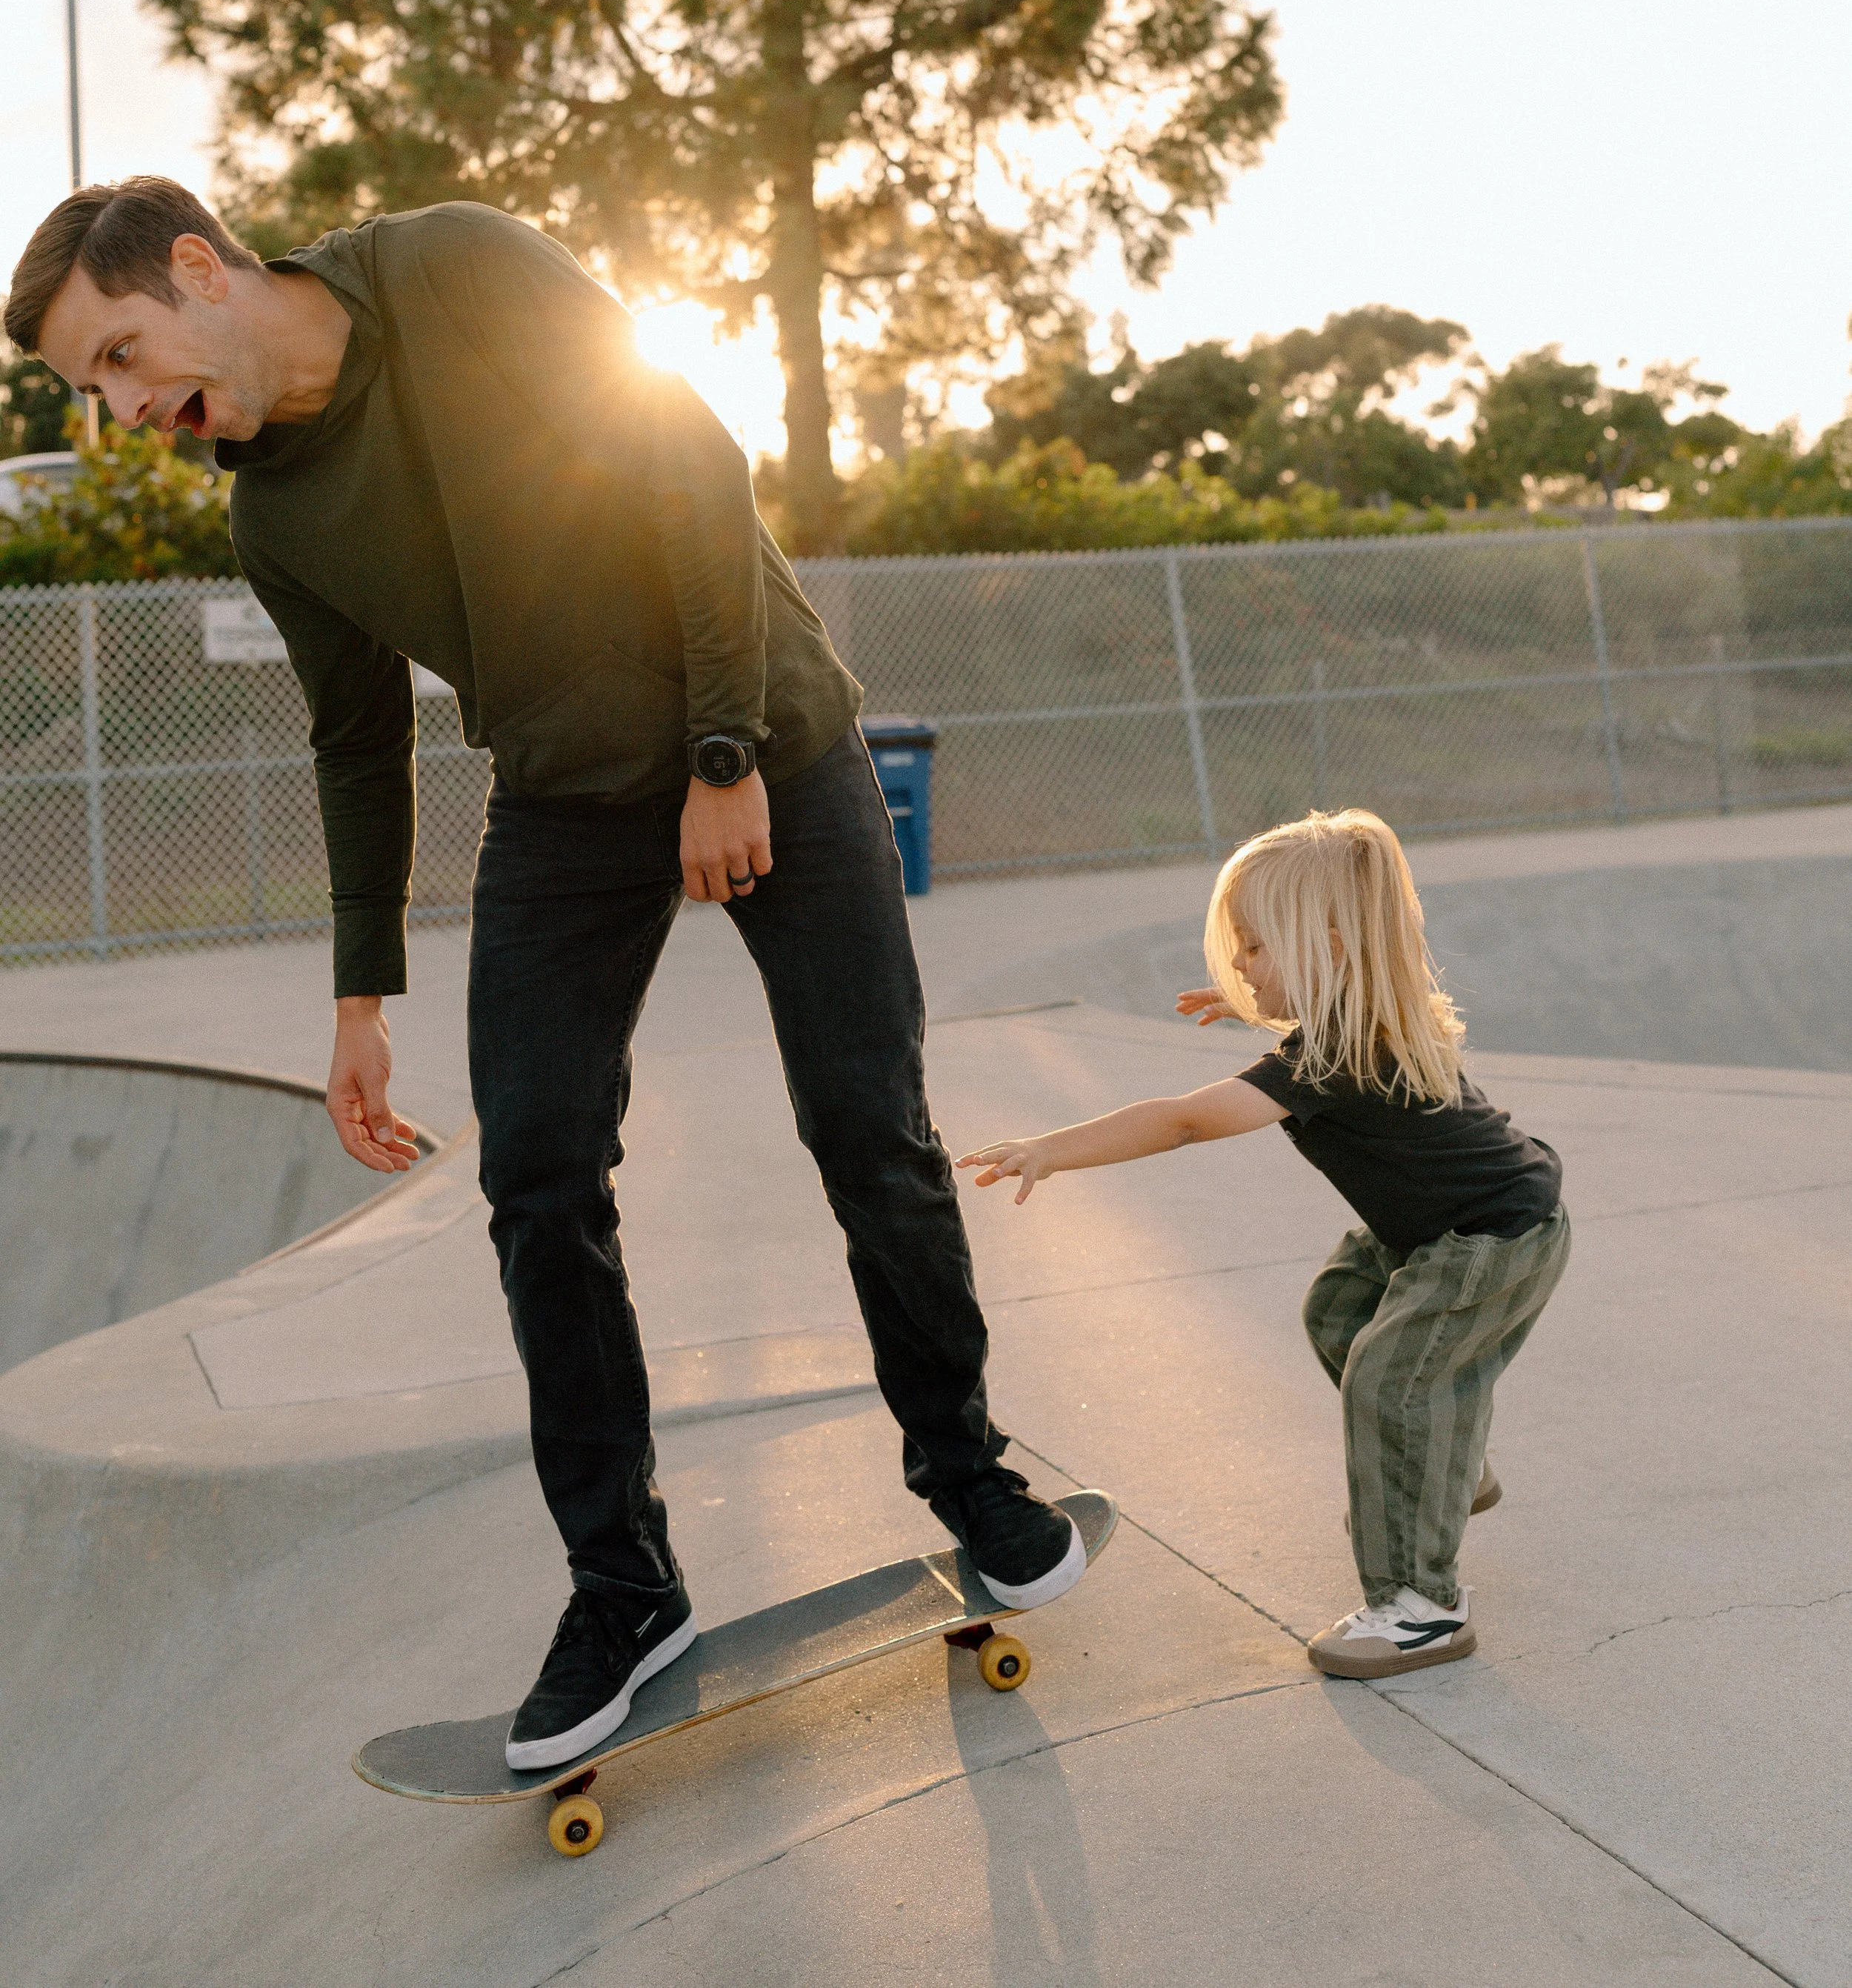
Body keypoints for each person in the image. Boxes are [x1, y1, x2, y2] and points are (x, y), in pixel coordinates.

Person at [8, 176, 1090, 1766]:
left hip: (770, 742)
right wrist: (357, 998)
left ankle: (967, 1471)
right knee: (532, 1170)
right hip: (564, 801)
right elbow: (356, 740)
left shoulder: (448, 268)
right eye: (86, 390)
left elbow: (686, 457)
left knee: (867, 1122)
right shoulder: (272, 514)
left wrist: (723, 751)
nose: (120, 409)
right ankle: (621, 1586)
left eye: (115, 356)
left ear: (196, 270)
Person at [959, 807, 1568, 1678]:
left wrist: (1051, 1150)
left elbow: (1180, 1123)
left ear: (1327, 948)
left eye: (1254, 949)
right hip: (1459, 1226)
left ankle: (1421, 1607)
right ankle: (1450, 1467)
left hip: (1488, 1241)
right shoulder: (1360, 1017)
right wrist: (1262, 1005)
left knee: (1390, 1384)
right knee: (1340, 1314)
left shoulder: (1329, 1057)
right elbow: (1306, 1029)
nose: (1239, 966)